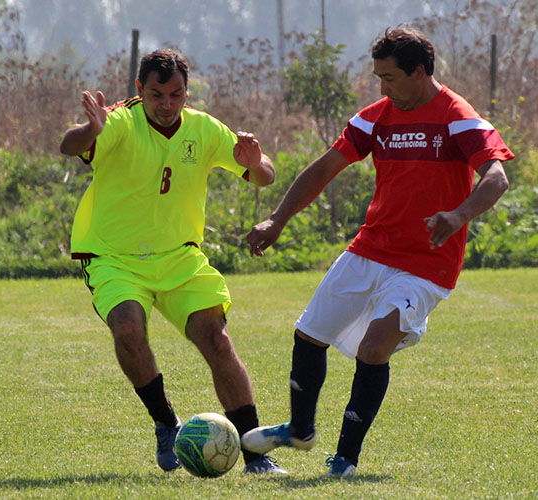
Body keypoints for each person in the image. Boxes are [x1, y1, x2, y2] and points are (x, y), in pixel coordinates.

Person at [241, 27, 514, 477]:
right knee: (309, 334)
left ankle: (345, 460)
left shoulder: (458, 116)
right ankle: (300, 429)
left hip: (426, 263)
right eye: (378, 78)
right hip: (370, 248)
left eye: (389, 78)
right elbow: (325, 168)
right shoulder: (377, 117)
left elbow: (496, 177)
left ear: (420, 71)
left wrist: (457, 215)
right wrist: (277, 219)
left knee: (374, 347)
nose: (382, 87)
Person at [59, 49, 285, 474]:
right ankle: (166, 425)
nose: (166, 104)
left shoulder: (202, 128)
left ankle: (256, 453)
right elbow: (68, 146)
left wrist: (256, 164)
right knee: (127, 327)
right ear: (140, 90)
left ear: (186, 92)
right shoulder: (119, 120)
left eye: (176, 94)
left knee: (216, 339)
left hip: (180, 257)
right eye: (156, 94)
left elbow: (264, 174)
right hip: (113, 256)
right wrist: (90, 129)